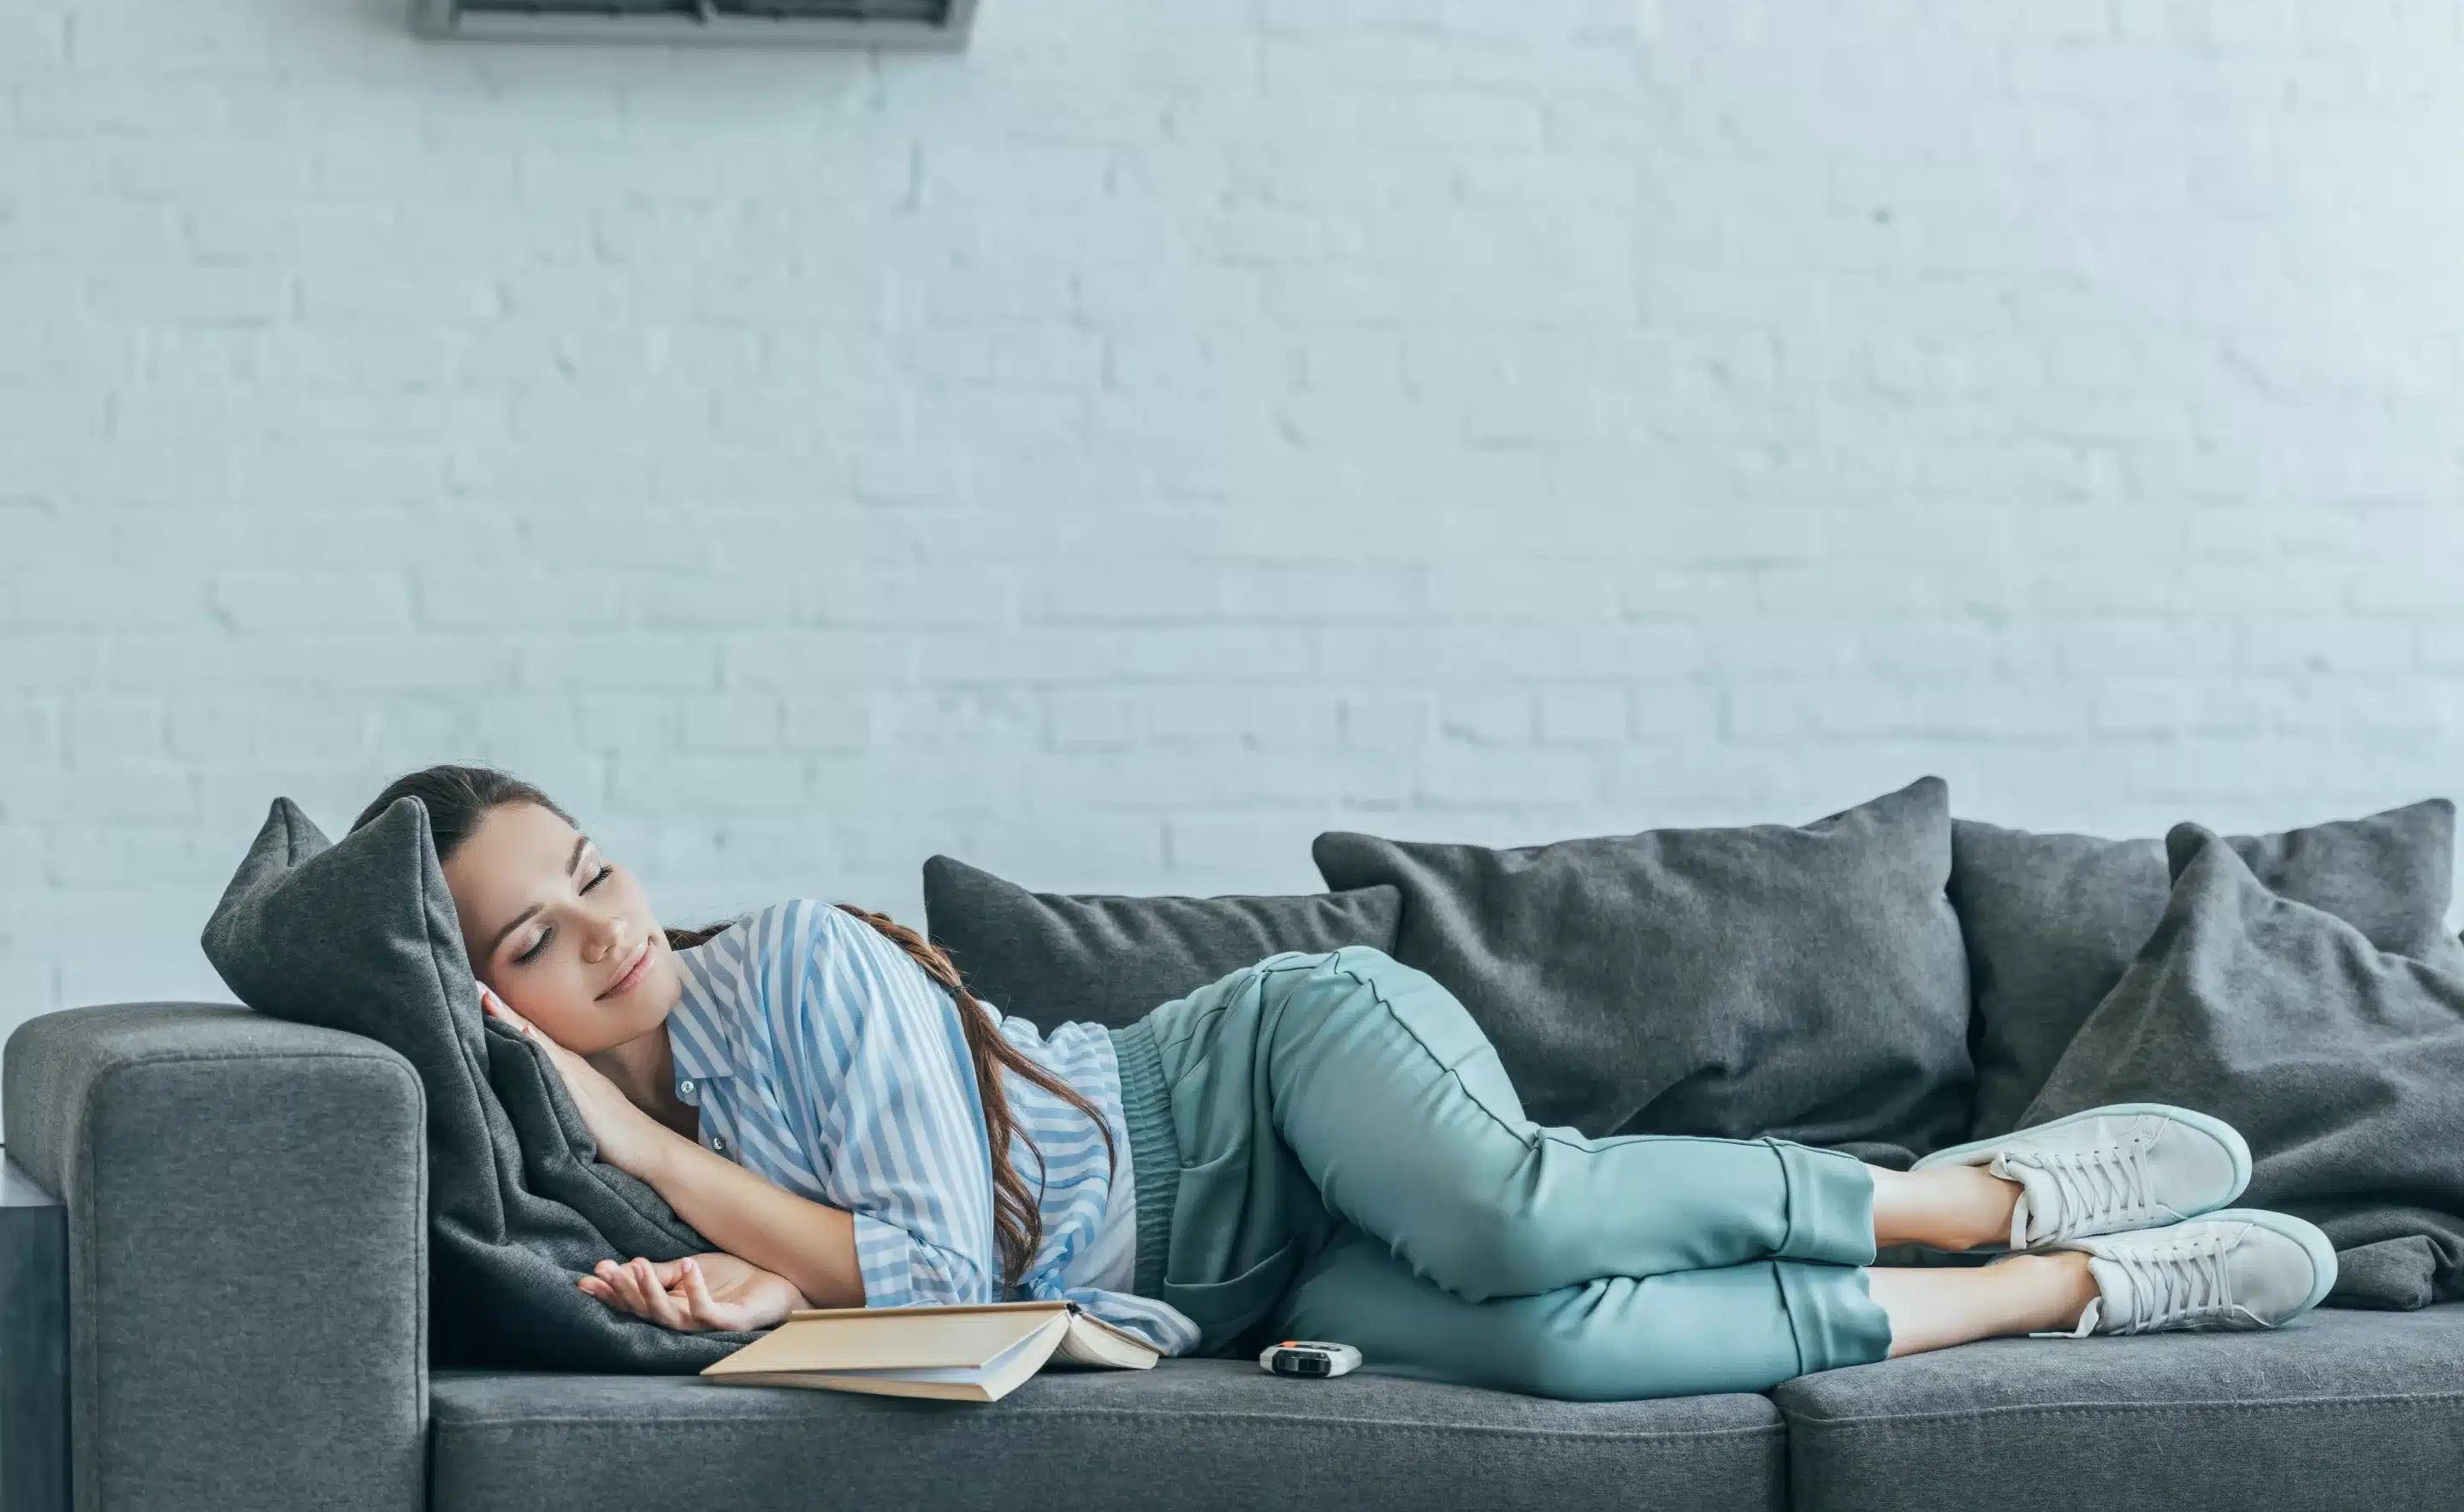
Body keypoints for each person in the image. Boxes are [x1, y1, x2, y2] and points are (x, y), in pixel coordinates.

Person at [358, 763, 2341, 1403]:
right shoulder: (628, 1160)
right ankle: (2069, 1289)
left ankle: (1979, 1193)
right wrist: (761, 1292)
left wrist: (635, 1143)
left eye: (591, 867)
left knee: (1516, 1213)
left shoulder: (782, 955)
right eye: (532, 937)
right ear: (490, 998)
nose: (604, 925)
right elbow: (902, 1302)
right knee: (1561, 1352)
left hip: (1264, 1077)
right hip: (1232, 1285)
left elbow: (941, 1252)